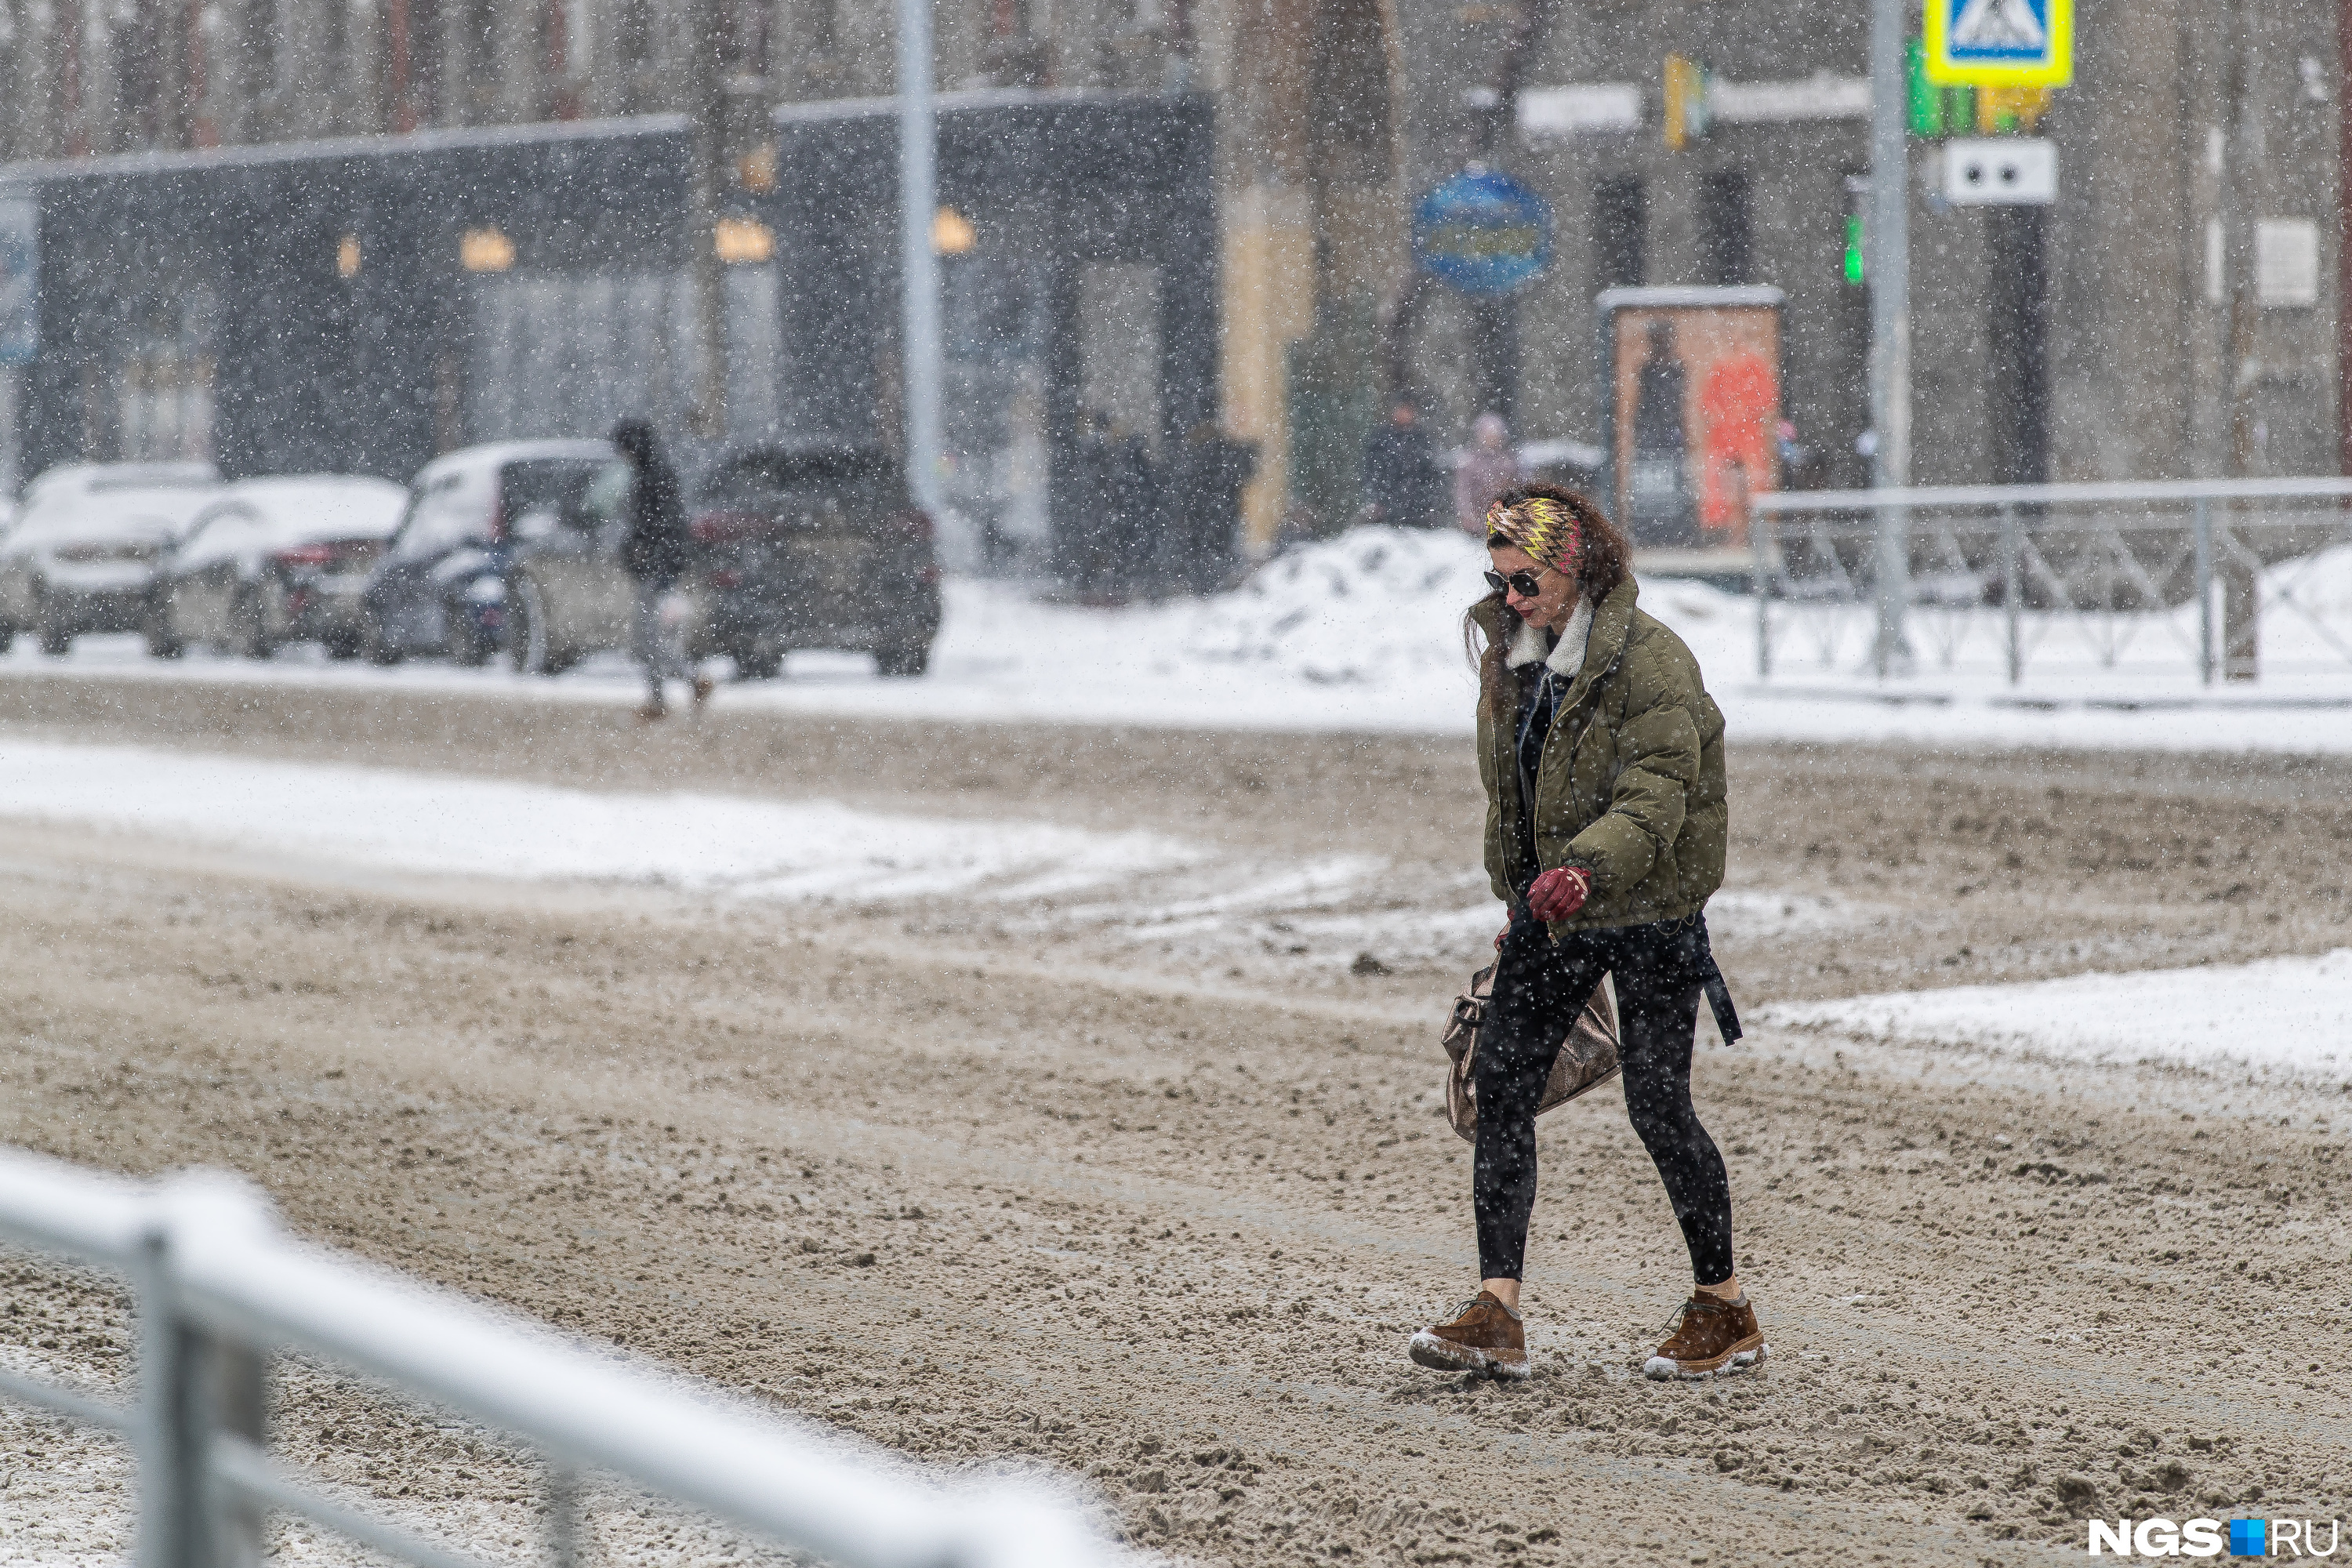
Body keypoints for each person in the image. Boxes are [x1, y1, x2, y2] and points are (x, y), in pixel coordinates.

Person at [1409, 483, 1762, 1384]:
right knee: (1500, 1083)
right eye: (1497, 581)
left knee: (1657, 1103)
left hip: (1649, 911)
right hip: (1553, 912)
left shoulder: (1652, 662)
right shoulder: (1515, 659)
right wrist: (1521, 895)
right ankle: (1497, 1308)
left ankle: (1722, 1306)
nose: (1508, 600)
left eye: (1525, 582)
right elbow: (1517, 801)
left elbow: (1657, 792)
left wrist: (1587, 868)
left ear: (1573, 569)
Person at [612, 418, 711, 721]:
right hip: (663, 567)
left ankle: (678, 688)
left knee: (648, 637)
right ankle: (674, 690)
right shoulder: (656, 473)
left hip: (658, 569)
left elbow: (658, 525)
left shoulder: (651, 477)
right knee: (651, 637)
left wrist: (644, 550)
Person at [1169, 420, 1257, 593]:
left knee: (1204, 552)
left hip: (1203, 515)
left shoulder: (1193, 457)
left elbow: (1185, 488)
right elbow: (1244, 471)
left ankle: (1208, 585)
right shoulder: (1224, 453)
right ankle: (1220, 583)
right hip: (1222, 511)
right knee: (1222, 549)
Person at [1360, 394, 1447, 530]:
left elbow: (1430, 475)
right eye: (1401, 409)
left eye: (1408, 410)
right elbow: (1372, 471)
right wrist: (1378, 500)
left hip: (1417, 510)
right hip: (1387, 510)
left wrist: (1428, 504)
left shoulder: (1422, 439)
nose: (1404, 414)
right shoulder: (1381, 439)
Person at [1453, 412, 1519, 535]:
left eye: (1495, 436)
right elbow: (1463, 492)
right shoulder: (1470, 462)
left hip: (1506, 523)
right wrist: (1468, 515)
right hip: (1478, 525)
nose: (1492, 440)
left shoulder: (1510, 461)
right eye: (1488, 436)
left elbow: (1521, 488)